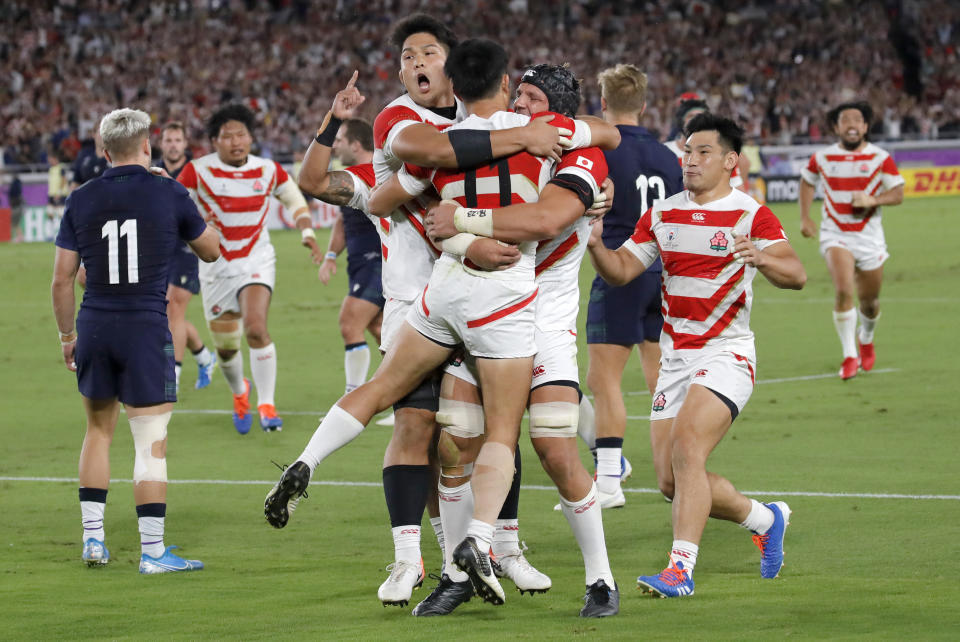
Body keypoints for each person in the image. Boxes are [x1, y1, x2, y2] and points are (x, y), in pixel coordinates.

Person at [265, 37, 605, 612]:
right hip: (499, 302)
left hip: (445, 296)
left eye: (428, 55)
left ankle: (491, 547)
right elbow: (566, 189)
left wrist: (453, 221)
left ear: (456, 74)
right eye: (408, 58)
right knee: (482, 434)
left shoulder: (443, 147)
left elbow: (381, 198)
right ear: (501, 84)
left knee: (465, 431)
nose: (417, 65)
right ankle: (456, 556)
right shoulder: (549, 145)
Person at [418, 59, 621, 617]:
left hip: (546, 320)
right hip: (485, 310)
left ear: (555, 111)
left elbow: (544, 220)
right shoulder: (502, 141)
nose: (517, 108)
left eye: (529, 98)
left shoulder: (582, 156)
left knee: (554, 445)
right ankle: (458, 571)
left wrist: (463, 220)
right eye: (517, 96)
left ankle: (601, 580)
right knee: (455, 439)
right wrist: (454, 227)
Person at [586, 113, 806, 598]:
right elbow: (623, 270)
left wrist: (763, 256)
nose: (690, 159)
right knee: (670, 479)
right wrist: (598, 245)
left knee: (689, 448)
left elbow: (796, 273)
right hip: (676, 361)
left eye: (703, 152)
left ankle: (679, 570)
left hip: (727, 355)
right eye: (687, 151)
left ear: (730, 161)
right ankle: (765, 518)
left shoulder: (750, 213)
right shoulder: (663, 213)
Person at [51, 107, 220, 574]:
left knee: (97, 432)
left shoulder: (81, 197)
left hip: (96, 326)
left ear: (104, 152)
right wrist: (179, 201)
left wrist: (68, 337)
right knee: (150, 441)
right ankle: (152, 553)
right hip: (146, 328)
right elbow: (211, 249)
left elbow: (62, 281)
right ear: (147, 146)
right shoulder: (169, 190)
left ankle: (92, 540)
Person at [583, 64, 683, 509]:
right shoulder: (669, 157)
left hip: (619, 268)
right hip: (663, 273)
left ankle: (608, 482)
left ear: (602, 104)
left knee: (603, 380)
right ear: (644, 105)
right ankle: (673, 470)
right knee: (660, 378)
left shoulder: (605, 150)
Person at [178, 104, 310, 433]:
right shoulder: (197, 171)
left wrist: (306, 230)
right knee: (226, 349)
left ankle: (267, 405)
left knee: (255, 328)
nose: (236, 142)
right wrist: (190, 223)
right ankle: (241, 393)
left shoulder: (268, 169)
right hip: (215, 267)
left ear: (251, 138)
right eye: (228, 136)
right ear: (214, 141)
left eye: (242, 135)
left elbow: (293, 198)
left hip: (256, 260)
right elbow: (174, 204)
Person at [799, 101, 905, 379]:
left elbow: (898, 193)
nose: (851, 125)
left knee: (869, 302)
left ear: (866, 127)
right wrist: (805, 218)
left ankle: (866, 338)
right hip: (836, 234)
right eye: (845, 120)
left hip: (869, 238)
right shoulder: (821, 157)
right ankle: (849, 356)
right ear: (836, 127)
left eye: (857, 120)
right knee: (844, 290)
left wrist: (873, 199)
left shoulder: (880, 158)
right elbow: (807, 181)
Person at [311, 117, 386, 395]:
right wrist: (331, 255)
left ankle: (351, 399)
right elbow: (344, 221)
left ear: (355, 145)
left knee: (350, 322)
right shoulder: (350, 178)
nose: (336, 146)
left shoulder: (378, 175)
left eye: (339, 140)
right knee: (381, 330)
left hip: (376, 262)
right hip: (360, 264)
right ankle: (409, 398)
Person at [157, 121, 217, 392]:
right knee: (169, 315)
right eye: (168, 140)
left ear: (185, 144)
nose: (172, 145)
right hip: (160, 248)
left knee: (173, 308)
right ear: (161, 144)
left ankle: (174, 375)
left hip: (188, 247)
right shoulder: (152, 172)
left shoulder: (197, 172)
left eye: (177, 140)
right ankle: (204, 357)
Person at [665, 99, 746, 192]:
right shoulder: (664, 151)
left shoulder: (720, 155)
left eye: (701, 116)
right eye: (691, 116)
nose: (696, 120)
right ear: (681, 121)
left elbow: (739, 191)